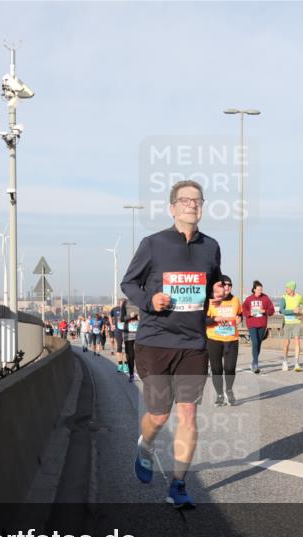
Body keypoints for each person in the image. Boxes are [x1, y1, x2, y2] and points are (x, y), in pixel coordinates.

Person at [121, 179, 222, 509]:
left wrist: (214, 303)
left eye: (198, 200)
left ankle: (178, 484)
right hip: (156, 341)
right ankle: (146, 444)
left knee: (189, 415)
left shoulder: (211, 247)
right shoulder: (153, 244)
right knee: (159, 416)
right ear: (172, 207)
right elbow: (129, 283)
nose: (192, 205)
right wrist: (152, 300)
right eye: (185, 200)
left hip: (193, 345)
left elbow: (211, 287)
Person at [206, 275, 242, 406]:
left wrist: (239, 319)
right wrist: (214, 319)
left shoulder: (235, 300)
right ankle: (220, 395)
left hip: (232, 339)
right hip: (214, 339)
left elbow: (240, 314)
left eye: (229, 285)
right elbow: (201, 320)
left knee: (230, 368)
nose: (227, 287)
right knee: (216, 369)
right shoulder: (210, 300)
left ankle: (229, 390)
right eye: (224, 284)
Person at [243, 280, 275, 374]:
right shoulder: (249, 299)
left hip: (262, 324)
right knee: (255, 342)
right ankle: (256, 364)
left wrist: (264, 311)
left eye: (261, 289)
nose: (260, 291)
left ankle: (253, 363)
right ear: (254, 290)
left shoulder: (265, 298)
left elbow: (272, 311)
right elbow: (244, 311)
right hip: (252, 324)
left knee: (259, 344)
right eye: (258, 289)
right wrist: (250, 313)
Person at [277, 281, 303, 371]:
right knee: (286, 343)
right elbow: (281, 310)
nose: (286, 289)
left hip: (297, 322)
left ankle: (297, 363)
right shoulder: (284, 298)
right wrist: (292, 311)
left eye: (287, 288)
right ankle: (285, 361)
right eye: (286, 288)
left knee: (297, 341)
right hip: (287, 323)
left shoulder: (299, 297)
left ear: (292, 289)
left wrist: (302, 312)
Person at [123, 304, 140, 382]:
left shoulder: (140, 303)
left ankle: (139, 373)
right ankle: (131, 374)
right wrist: (130, 316)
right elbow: (121, 319)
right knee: (131, 356)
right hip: (128, 336)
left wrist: (140, 318)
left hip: (138, 335)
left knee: (139, 355)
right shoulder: (125, 305)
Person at [111, 298, 128, 372]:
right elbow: (110, 315)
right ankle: (120, 364)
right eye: (122, 303)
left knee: (127, 348)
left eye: (125, 303)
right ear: (119, 303)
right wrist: (111, 324)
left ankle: (126, 365)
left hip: (127, 331)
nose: (123, 304)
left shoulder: (128, 310)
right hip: (118, 331)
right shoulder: (115, 309)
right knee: (119, 347)